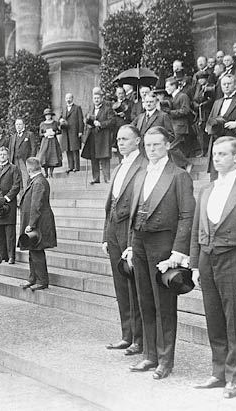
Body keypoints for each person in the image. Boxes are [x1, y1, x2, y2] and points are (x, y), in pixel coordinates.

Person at [125, 126, 195, 379]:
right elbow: (134, 214)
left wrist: (179, 251)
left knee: (164, 304)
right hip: (141, 241)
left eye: (156, 145)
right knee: (145, 300)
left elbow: (187, 216)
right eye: (148, 145)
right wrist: (132, 245)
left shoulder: (178, 176)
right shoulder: (141, 174)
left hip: (164, 245)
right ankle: (150, 355)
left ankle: (166, 360)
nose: (151, 149)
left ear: (167, 146)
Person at [190, 136, 236, 398]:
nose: (216, 159)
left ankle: (234, 377)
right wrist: (195, 265)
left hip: (235, 260)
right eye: (214, 154)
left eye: (222, 154)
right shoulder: (206, 189)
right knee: (214, 318)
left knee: (234, 320)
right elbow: (197, 229)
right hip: (208, 259)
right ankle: (218, 372)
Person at [102, 125, 147, 356]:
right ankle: (126, 335)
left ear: (137, 141)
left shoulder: (144, 166)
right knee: (121, 287)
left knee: (135, 286)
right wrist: (105, 235)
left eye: (125, 139)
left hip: (130, 232)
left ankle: (139, 339)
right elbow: (110, 203)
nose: (120, 143)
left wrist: (132, 241)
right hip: (114, 231)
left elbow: (141, 206)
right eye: (118, 139)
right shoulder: (120, 166)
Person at [206, 74, 236, 179]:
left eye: (229, 83)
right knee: (215, 175)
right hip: (218, 140)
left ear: (235, 85)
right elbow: (210, 120)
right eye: (224, 84)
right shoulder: (217, 102)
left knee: (234, 174)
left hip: (235, 139)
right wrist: (209, 128)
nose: (226, 86)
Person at [19, 157, 56, 291]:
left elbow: (36, 205)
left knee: (37, 252)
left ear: (29, 169)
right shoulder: (37, 180)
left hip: (38, 224)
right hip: (36, 222)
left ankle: (41, 280)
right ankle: (32, 278)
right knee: (33, 251)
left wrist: (31, 224)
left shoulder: (39, 182)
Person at [0, 147, 22, 264]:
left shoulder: (14, 168)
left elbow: (17, 185)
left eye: (4, 154)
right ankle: (3, 255)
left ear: (8, 156)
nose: (2, 156)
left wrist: (7, 198)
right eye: (0, 154)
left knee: (10, 231)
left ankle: (11, 256)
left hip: (9, 204)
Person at [81, 87, 115, 184]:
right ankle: (96, 178)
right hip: (92, 136)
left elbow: (112, 121)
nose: (96, 100)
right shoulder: (90, 108)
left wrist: (101, 124)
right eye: (94, 98)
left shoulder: (107, 109)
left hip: (103, 137)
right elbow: (87, 118)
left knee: (104, 157)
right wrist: (87, 121)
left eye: (98, 98)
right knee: (93, 158)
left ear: (101, 98)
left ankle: (107, 178)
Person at [165, 77, 193, 168]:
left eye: (168, 87)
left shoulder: (182, 96)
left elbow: (186, 110)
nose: (166, 89)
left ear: (174, 86)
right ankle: (182, 167)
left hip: (181, 126)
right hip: (174, 126)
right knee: (174, 148)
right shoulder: (172, 98)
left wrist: (170, 112)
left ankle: (187, 164)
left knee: (171, 147)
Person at [59, 93, 84, 173]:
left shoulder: (77, 108)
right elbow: (61, 118)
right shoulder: (64, 108)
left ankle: (76, 167)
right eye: (67, 98)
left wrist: (80, 131)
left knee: (75, 149)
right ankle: (70, 166)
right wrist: (60, 120)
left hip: (74, 131)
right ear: (65, 99)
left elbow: (80, 120)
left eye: (70, 98)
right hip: (66, 132)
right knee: (68, 149)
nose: (68, 100)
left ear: (72, 98)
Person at [192, 71, 215, 157]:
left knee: (208, 132)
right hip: (200, 113)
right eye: (199, 79)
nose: (201, 81)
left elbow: (211, 99)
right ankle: (203, 150)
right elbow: (195, 99)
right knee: (200, 132)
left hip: (208, 112)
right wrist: (196, 104)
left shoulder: (210, 86)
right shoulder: (198, 88)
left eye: (202, 78)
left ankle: (209, 150)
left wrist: (202, 104)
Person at [9, 118, 37, 190]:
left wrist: (31, 160)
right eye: (17, 124)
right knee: (17, 179)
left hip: (24, 160)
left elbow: (33, 148)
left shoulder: (29, 134)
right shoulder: (13, 137)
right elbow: (10, 150)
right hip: (15, 160)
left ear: (24, 125)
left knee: (26, 178)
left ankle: (26, 193)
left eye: (20, 124)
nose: (18, 126)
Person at [38, 108, 62, 178]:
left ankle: (51, 172)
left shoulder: (55, 123)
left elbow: (59, 131)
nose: (48, 116)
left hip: (53, 142)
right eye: (46, 115)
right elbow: (40, 134)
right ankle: (46, 173)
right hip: (45, 142)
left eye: (49, 115)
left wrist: (54, 132)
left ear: (51, 115)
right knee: (45, 156)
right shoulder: (42, 124)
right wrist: (44, 134)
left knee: (53, 156)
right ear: (45, 116)